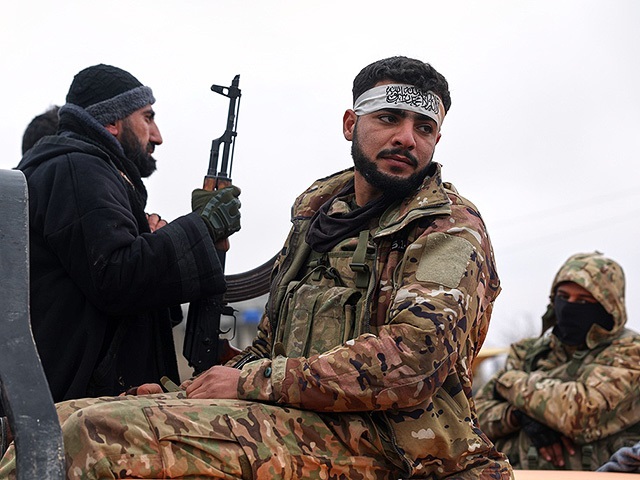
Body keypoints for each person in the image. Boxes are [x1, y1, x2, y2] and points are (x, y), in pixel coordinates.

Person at [0, 56, 511, 479]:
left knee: (93, 437)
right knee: (62, 419)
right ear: (350, 124)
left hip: (400, 448)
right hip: (300, 418)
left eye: (424, 128)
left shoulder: (448, 228)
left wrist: (250, 383)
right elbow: (269, 347)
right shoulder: (319, 218)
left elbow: (413, 362)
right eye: (389, 119)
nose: (406, 138)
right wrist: (187, 393)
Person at [12, 64, 241, 403]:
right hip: (86, 404)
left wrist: (157, 239)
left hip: (89, 398)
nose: (157, 136)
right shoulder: (79, 169)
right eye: (147, 118)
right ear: (111, 123)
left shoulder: (86, 170)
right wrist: (203, 227)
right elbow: (116, 276)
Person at [475, 252, 640, 470]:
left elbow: (581, 413)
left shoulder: (629, 352)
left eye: (583, 301)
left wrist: (509, 381)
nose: (570, 307)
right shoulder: (528, 352)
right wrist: (516, 415)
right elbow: (473, 418)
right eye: (563, 297)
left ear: (609, 306)